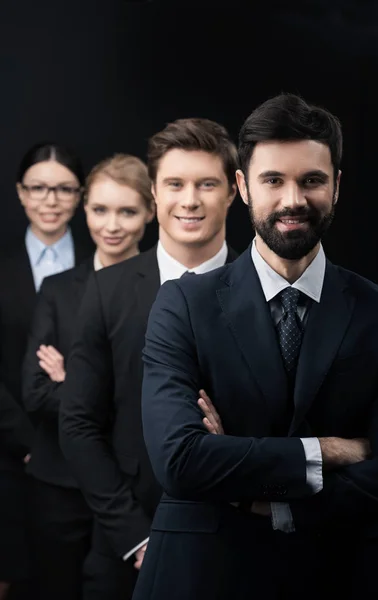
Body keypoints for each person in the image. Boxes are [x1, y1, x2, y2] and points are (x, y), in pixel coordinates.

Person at [135, 94, 378, 600]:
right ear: (243, 187)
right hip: (201, 573)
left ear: (337, 187)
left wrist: (263, 495)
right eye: (273, 180)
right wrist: (328, 451)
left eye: (312, 180)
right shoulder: (182, 305)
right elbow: (181, 461)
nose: (292, 199)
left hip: (344, 570)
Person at [59, 118, 238, 600]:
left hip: (239, 542)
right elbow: (77, 424)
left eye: (207, 184)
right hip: (126, 547)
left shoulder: (262, 291)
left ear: (233, 192)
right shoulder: (106, 291)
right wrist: (136, 538)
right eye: (175, 184)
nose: (191, 200)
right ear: (155, 194)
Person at [21, 154, 154, 600]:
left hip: (129, 489)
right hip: (59, 486)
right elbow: (37, 393)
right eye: (100, 210)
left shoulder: (167, 289)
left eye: (127, 211)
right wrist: (111, 392)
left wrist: (75, 381)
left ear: (151, 211)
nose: (111, 225)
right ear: (85, 210)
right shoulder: (58, 290)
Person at [0, 142, 90, 599]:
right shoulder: (2, 269)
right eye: (38, 188)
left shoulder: (104, 262)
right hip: (9, 454)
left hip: (85, 453)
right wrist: (26, 442)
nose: (50, 200)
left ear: (79, 196)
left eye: (62, 189)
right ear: (20, 193)